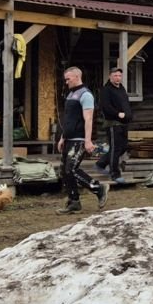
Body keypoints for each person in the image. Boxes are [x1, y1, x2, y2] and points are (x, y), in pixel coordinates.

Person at [56, 66, 107, 214]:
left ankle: (98, 188)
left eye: (68, 79)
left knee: (71, 169)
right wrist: (62, 137)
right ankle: (74, 202)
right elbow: (68, 119)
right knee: (65, 171)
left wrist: (88, 140)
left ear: (77, 77)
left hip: (79, 138)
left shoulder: (86, 95)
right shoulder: (71, 94)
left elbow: (88, 119)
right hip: (68, 138)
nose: (66, 82)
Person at [96, 66, 132, 185]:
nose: (118, 78)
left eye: (119, 76)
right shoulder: (106, 89)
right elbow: (106, 107)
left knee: (123, 147)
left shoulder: (121, 88)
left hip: (124, 122)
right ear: (110, 76)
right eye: (115, 75)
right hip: (112, 123)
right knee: (115, 148)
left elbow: (125, 104)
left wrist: (129, 115)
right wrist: (117, 114)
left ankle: (101, 163)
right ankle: (114, 173)